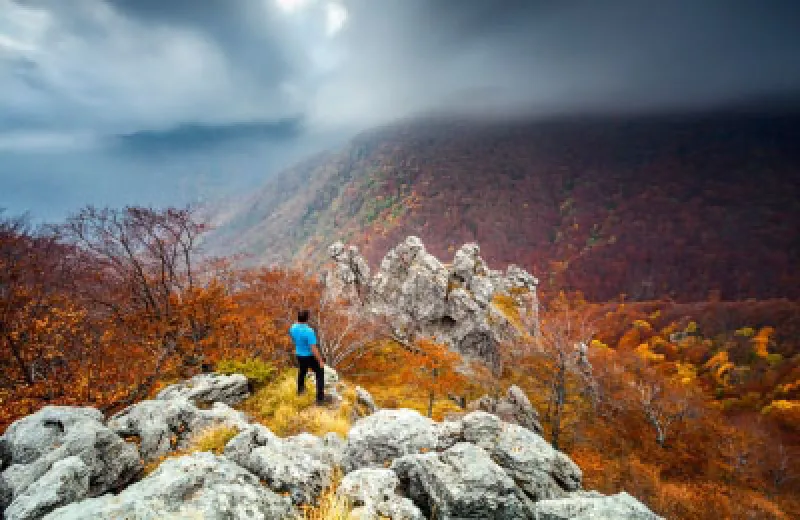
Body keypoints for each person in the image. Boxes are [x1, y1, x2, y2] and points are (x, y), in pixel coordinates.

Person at [289, 309, 326, 404]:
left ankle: (300, 391)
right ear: (307, 319)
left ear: (298, 318)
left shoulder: (293, 327)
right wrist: (320, 360)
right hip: (309, 356)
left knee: (302, 371)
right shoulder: (309, 331)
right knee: (320, 373)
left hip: (299, 355)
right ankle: (320, 399)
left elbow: (294, 339)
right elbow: (313, 348)